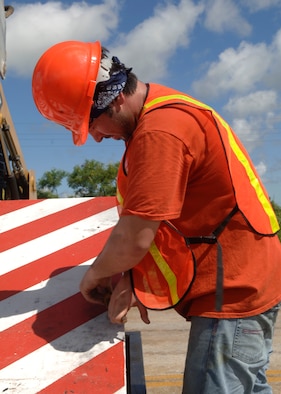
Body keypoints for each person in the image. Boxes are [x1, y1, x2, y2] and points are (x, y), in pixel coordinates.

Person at [32, 40, 281, 394]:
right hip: (248, 281)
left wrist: (96, 275)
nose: (98, 139)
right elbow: (165, 226)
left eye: (93, 125)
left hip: (234, 292)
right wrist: (133, 282)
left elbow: (136, 235)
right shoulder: (162, 113)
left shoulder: (160, 131)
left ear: (114, 98)